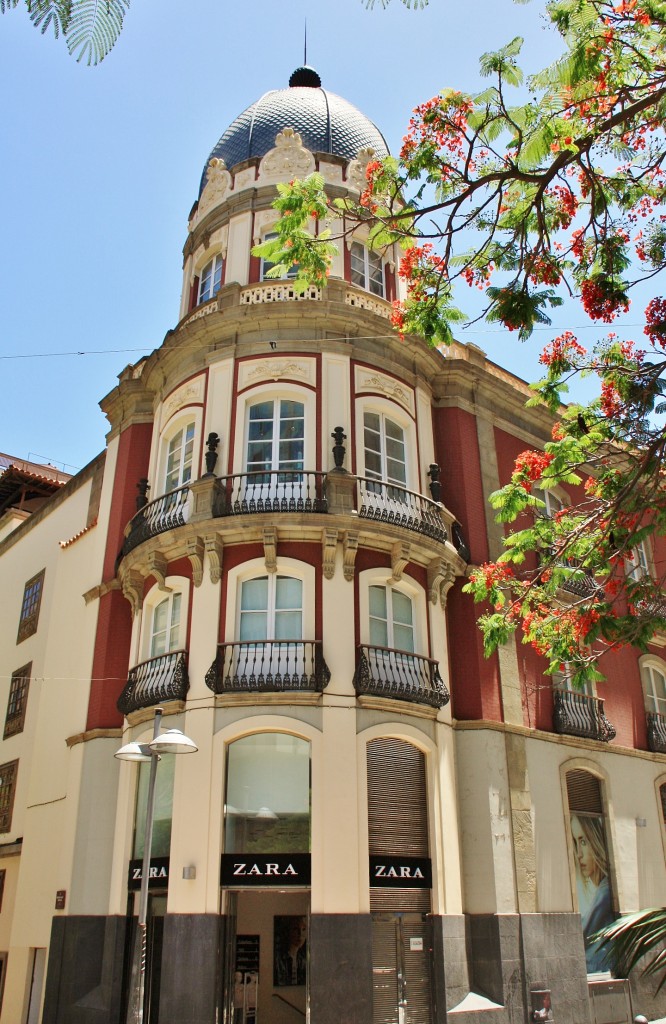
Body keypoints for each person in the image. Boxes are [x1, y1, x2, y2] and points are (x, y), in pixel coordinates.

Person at [570, 814, 614, 972]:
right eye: (575, 843)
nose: (579, 853)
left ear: (596, 840)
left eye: (583, 841)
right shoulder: (604, 889)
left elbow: (581, 934)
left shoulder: (606, 891)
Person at [274, 915, 307, 986]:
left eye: (304, 929)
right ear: (288, 931)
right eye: (295, 929)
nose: (300, 934)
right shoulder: (277, 958)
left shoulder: (303, 959)